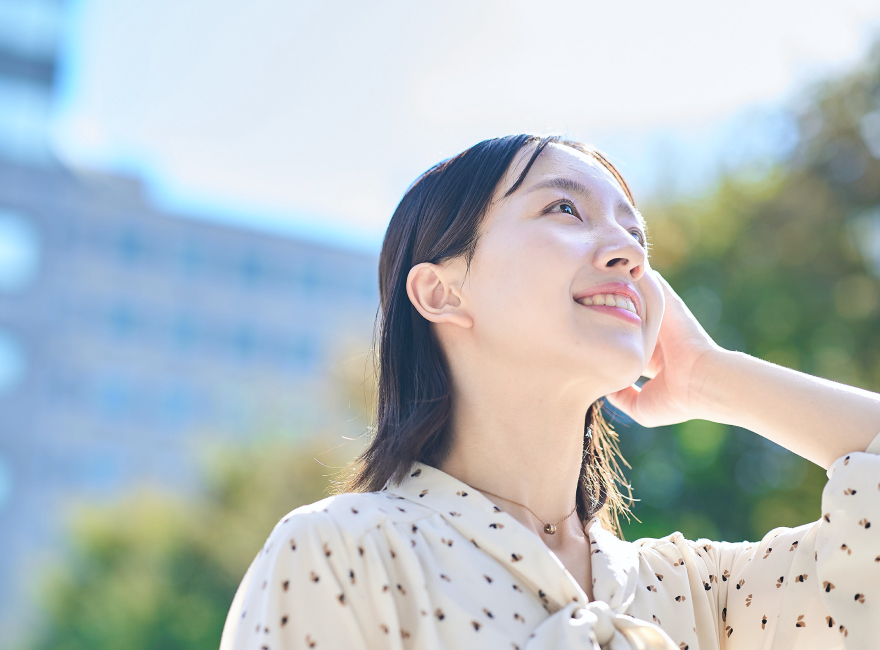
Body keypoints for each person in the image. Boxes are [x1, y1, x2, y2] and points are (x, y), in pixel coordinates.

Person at [218, 135, 880, 650]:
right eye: (565, 208)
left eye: (634, 235)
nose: (628, 254)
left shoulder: (698, 594)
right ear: (441, 292)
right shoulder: (346, 552)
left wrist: (711, 373)